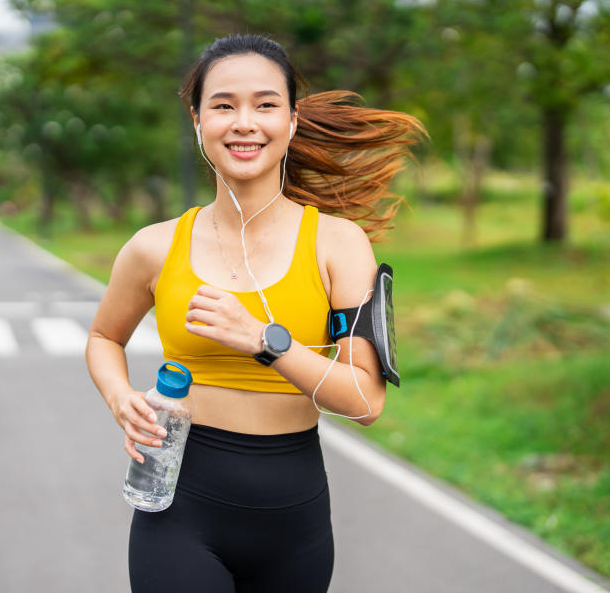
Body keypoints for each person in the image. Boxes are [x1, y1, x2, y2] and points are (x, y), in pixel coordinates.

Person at [85, 34, 425, 592]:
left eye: (265, 104)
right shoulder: (153, 247)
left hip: (295, 526)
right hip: (179, 511)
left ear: (291, 121)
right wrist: (121, 399)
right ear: (198, 122)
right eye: (223, 105)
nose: (244, 122)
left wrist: (267, 342)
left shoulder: (337, 245)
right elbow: (103, 336)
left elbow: (365, 401)